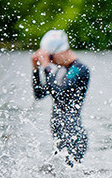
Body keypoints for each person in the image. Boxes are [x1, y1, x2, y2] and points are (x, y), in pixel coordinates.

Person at [31, 29, 90, 165]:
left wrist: (46, 67)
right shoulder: (59, 71)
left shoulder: (80, 69)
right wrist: (36, 70)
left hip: (73, 135)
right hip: (60, 136)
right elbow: (39, 94)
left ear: (61, 51)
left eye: (51, 57)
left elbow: (60, 93)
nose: (50, 62)